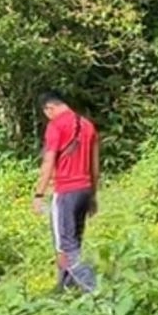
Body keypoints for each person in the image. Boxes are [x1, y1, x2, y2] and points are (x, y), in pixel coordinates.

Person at [32, 90, 99, 293]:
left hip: (65, 191)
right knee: (74, 241)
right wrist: (93, 195)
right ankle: (65, 291)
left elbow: (49, 161)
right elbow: (95, 165)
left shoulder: (56, 125)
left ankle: (94, 290)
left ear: (49, 108)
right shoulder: (88, 126)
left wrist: (39, 194)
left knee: (66, 247)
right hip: (85, 190)